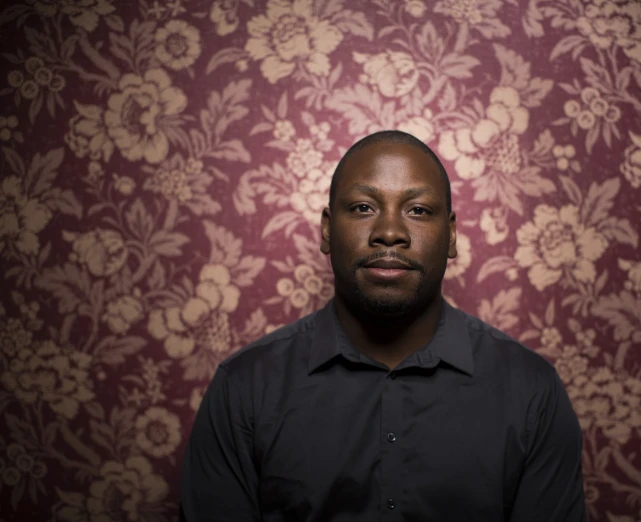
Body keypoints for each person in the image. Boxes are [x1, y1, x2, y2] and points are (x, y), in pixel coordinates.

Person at [180, 130, 587, 521]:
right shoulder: (244, 390)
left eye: (418, 211)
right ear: (326, 229)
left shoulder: (532, 392)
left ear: (451, 235)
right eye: (362, 208)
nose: (389, 232)